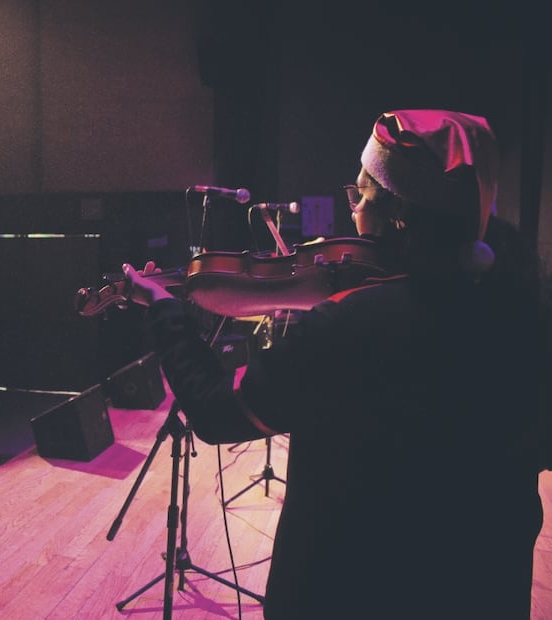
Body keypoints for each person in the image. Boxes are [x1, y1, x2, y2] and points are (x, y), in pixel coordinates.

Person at [123, 110, 551, 618]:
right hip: (481, 588)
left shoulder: (349, 325)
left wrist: (165, 310)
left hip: (348, 589)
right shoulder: (525, 316)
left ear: (400, 216)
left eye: (363, 197)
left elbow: (217, 412)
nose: (354, 213)